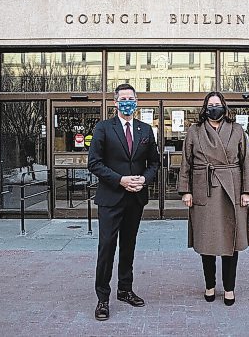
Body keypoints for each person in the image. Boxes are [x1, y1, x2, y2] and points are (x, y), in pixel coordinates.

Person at [88, 83, 159, 321]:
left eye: (131, 98)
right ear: (115, 102)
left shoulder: (145, 130)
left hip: (135, 198)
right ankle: (102, 298)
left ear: (136, 102)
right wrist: (120, 180)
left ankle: (125, 290)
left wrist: (143, 180)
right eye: (123, 99)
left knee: (128, 246)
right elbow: (94, 163)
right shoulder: (103, 128)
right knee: (107, 248)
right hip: (111, 198)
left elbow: (154, 163)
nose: (127, 102)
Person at [178, 91, 249, 306]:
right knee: (207, 241)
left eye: (218, 104)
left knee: (231, 241)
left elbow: (245, 162)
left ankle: (229, 288)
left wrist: (247, 191)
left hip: (233, 189)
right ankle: (210, 285)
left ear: (224, 106)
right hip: (204, 189)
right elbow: (186, 162)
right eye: (211, 104)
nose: (214, 108)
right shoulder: (194, 131)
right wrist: (186, 190)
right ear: (205, 108)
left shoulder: (237, 130)